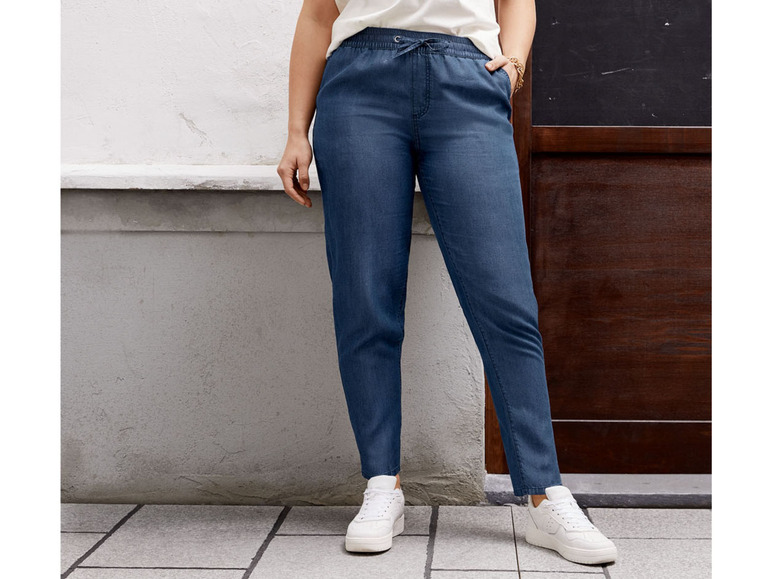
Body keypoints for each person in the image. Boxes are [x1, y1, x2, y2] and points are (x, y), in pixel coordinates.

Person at [278, 0, 618, 566]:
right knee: (365, 297)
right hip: (359, 87)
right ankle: (382, 485)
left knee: (506, 302)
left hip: (467, 80)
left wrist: (513, 64)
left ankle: (544, 493)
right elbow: (317, 16)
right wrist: (296, 130)